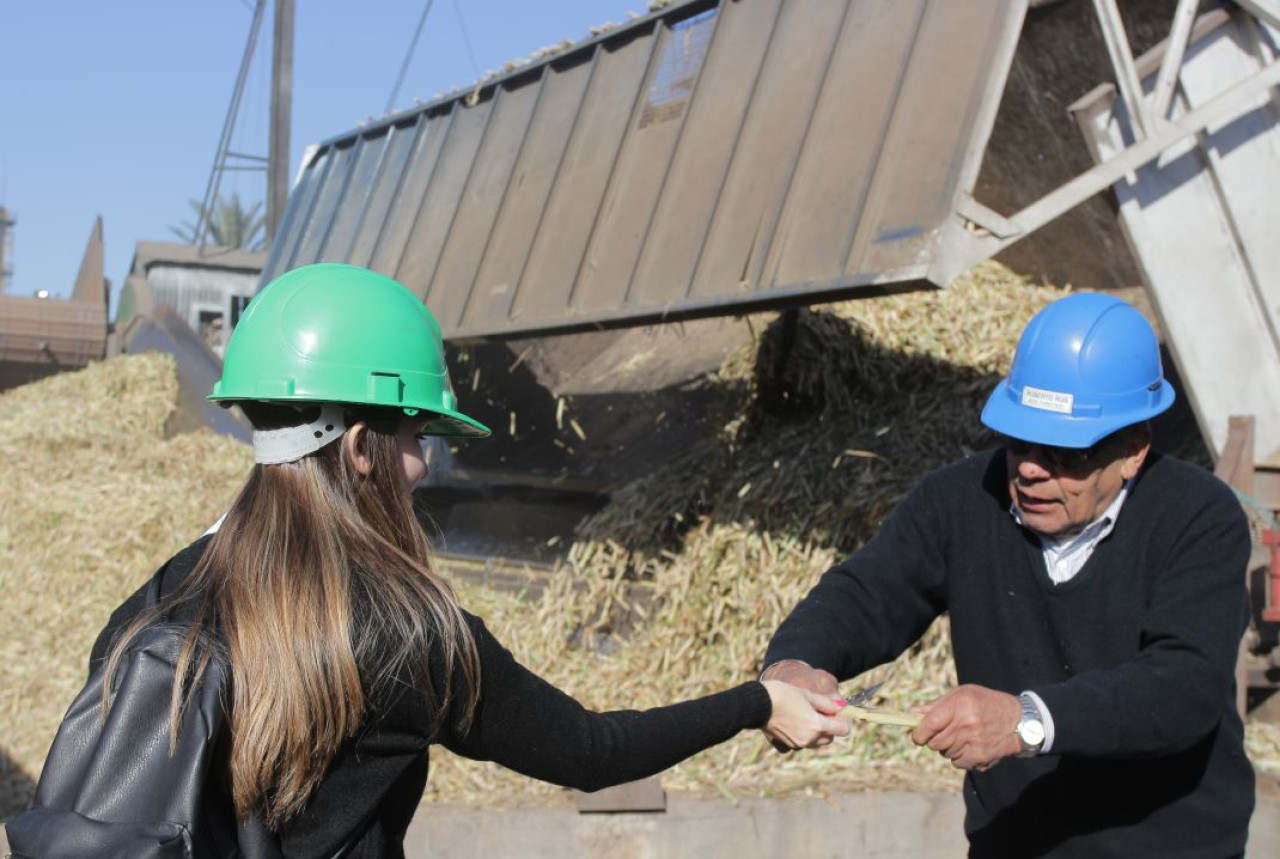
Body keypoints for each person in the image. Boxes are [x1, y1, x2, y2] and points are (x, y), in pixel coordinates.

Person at [91, 263, 849, 855]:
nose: (423, 463)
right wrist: (757, 703)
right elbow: (590, 749)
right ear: (360, 447)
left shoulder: (160, 597)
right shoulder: (405, 634)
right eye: (417, 436)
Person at [760, 292, 1255, 857]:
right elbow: (866, 594)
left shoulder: (1197, 516)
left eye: (1066, 453)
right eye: (1020, 442)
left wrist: (1026, 721)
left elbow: (1182, 686)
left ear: (1134, 449)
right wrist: (793, 665)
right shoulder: (961, 500)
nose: (1031, 470)